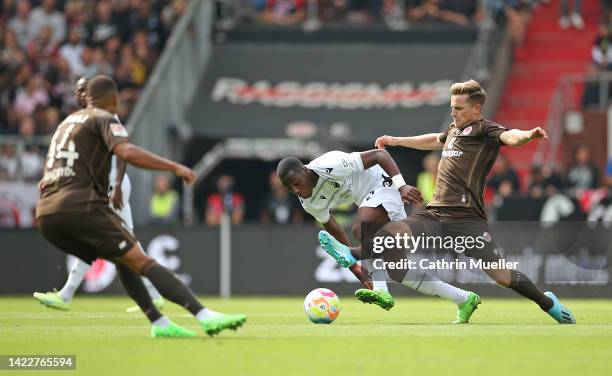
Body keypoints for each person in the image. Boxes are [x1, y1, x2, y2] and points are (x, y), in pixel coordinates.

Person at [321, 79, 576, 324]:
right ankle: (351, 254)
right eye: (452, 107)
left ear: (476, 109)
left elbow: (511, 137)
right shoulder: (454, 129)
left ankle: (548, 303)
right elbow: (434, 139)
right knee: (390, 233)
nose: (453, 112)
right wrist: (397, 141)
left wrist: (529, 135)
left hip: (466, 219)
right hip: (436, 213)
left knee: (502, 276)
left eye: (459, 108)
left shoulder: (486, 130)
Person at [35, 75, 246, 337]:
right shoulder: (104, 118)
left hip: (46, 215)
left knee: (123, 259)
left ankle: (159, 324)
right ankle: (205, 316)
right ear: (114, 100)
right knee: (139, 259)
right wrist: (174, 166)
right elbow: (127, 152)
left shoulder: (66, 124)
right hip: (81, 205)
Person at [277, 149, 482, 323]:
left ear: (305, 170)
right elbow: (335, 228)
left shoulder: (330, 165)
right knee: (399, 272)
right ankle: (464, 299)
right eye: (289, 188)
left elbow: (380, 155)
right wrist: (357, 270)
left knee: (361, 228)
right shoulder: (309, 202)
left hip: (382, 183)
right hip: (368, 200)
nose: (296, 190)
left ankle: (377, 285)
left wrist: (401, 185)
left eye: (296, 182)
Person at [34, 77, 164, 313]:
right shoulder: (85, 119)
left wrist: (115, 186)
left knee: (110, 240)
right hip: (101, 187)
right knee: (118, 241)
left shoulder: (106, 116)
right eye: (78, 90)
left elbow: (125, 152)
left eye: (85, 90)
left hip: (112, 187)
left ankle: (67, 294)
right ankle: (154, 293)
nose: (81, 94)